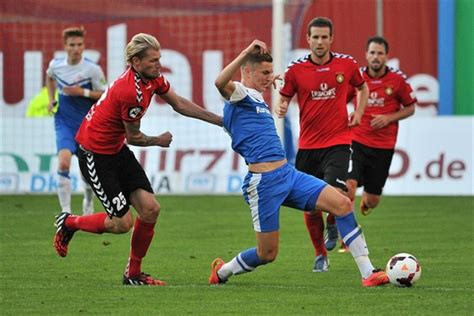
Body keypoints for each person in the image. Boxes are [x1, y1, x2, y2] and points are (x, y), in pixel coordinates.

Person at [208, 39, 388, 287]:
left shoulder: (256, 98)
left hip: (287, 174)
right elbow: (220, 83)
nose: (270, 78)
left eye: (271, 73)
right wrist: (246, 52)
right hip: (263, 184)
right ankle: (222, 272)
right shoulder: (238, 93)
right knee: (267, 254)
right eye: (264, 73)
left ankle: (368, 273)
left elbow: (254, 97)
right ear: (246, 71)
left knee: (343, 204)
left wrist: (269, 82)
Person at [53, 33, 223, 286]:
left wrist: (220, 121)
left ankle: (133, 274)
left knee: (150, 209)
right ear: (135, 61)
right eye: (153, 60)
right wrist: (159, 140)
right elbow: (134, 138)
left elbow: (178, 103)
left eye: (160, 59)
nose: (159, 64)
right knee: (122, 224)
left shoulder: (151, 78)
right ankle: (69, 222)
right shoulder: (129, 92)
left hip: (115, 149)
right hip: (94, 154)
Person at [277, 17, 369, 271]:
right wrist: (281, 106)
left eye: (324, 37)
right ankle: (320, 255)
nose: (319, 42)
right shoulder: (295, 70)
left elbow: (363, 88)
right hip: (307, 147)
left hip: (338, 142)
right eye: (315, 37)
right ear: (308, 39)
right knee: (310, 206)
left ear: (331, 39)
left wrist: (359, 112)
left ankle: (333, 221)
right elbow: (283, 98)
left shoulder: (347, 64)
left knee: (337, 194)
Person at [346, 36, 416, 215]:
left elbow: (410, 108)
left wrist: (389, 118)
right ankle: (344, 233)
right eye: (372, 53)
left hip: (383, 146)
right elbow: (341, 98)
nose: (376, 57)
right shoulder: (357, 77)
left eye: (380, 53)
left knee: (372, 200)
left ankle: (366, 202)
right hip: (357, 140)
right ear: (366, 55)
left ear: (386, 56)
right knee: (349, 186)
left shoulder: (397, 80)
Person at [46, 27, 107, 215]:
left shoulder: (92, 69)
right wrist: (51, 99)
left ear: (84, 46)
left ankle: (88, 201)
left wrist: (83, 92)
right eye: (72, 45)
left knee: (86, 173)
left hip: (86, 125)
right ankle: (65, 212)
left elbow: (105, 95)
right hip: (64, 122)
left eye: (79, 45)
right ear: (65, 46)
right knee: (63, 163)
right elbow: (49, 78)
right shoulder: (56, 65)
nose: (76, 49)